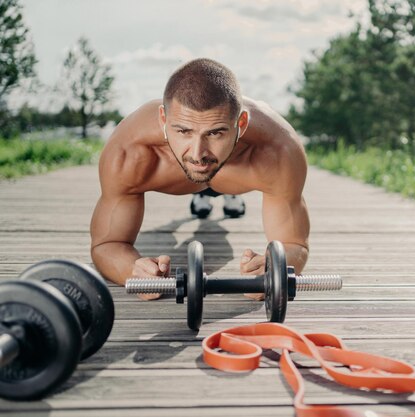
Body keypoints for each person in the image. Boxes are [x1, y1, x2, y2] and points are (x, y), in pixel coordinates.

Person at [90, 58, 310, 300]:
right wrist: (132, 269)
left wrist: (274, 268)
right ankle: (206, 189)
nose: (197, 153)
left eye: (215, 133)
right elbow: (106, 244)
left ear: (241, 124)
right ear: (163, 120)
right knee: (207, 164)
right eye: (183, 131)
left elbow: (294, 243)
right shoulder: (129, 151)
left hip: (237, 169)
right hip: (198, 167)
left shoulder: (279, 150)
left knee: (215, 190)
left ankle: (227, 191)